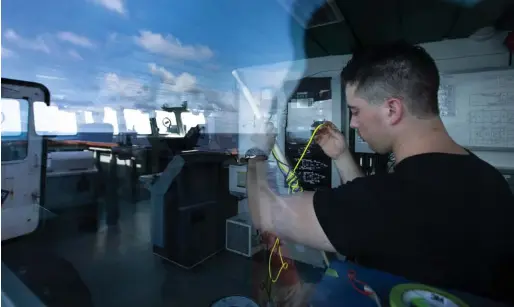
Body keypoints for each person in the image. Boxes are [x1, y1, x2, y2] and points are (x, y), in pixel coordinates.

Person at [244, 41, 514, 304]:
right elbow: (380, 219)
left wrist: (256, 151)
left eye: (356, 111)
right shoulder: (490, 179)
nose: (353, 122)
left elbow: (265, 213)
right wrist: (341, 156)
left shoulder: (387, 200)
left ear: (392, 109)